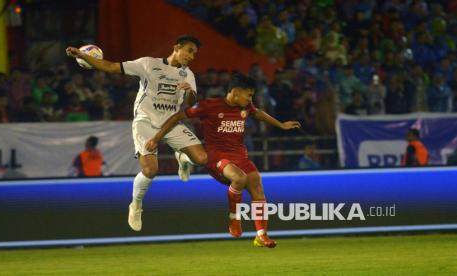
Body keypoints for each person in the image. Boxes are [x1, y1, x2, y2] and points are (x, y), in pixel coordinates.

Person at [66, 35, 208, 232]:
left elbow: (192, 104)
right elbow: (110, 67)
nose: (192, 56)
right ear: (177, 47)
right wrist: (81, 54)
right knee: (150, 171)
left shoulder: (188, 75)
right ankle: (136, 204)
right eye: (189, 51)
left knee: (202, 159)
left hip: (171, 123)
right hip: (146, 122)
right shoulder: (148, 64)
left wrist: (190, 92)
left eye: (195, 54)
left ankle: (182, 158)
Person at [146, 73, 301, 248]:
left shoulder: (246, 106)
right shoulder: (209, 105)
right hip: (216, 155)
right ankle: (234, 218)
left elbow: (258, 114)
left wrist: (280, 125)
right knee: (239, 178)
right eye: (249, 94)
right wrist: (156, 138)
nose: (251, 99)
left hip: (240, 155)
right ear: (235, 92)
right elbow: (177, 117)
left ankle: (261, 235)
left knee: (257, 185)